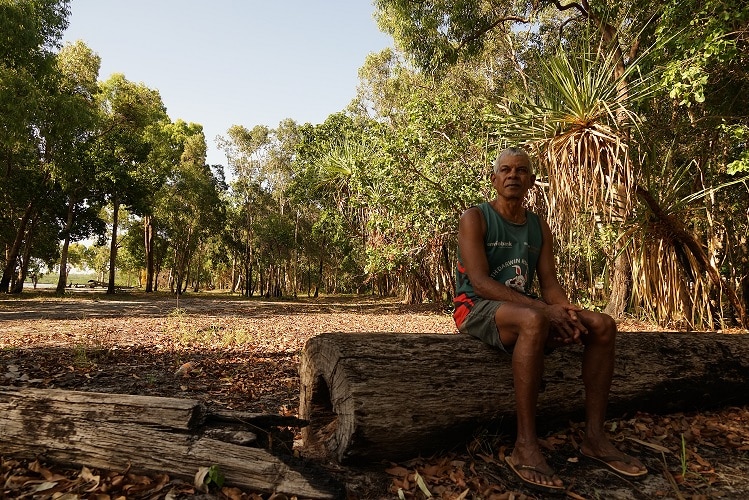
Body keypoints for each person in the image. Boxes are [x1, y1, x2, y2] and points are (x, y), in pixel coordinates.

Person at [453, 147, 647, 493]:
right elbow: (480, 282)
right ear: (494, 179)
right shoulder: (476, 217)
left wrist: (567, 313)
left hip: (523, 309)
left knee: (602, 325)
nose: (513, 175)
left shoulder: (538, 225)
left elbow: (550, 283)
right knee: (534, 320)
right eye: (506, 170)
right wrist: (543, 310)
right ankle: (525, 446)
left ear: (531, 180)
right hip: (476, 307)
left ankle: (595, 438)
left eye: (521, 170)